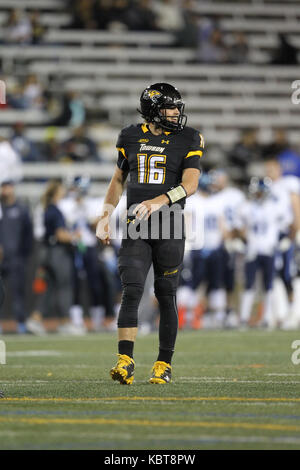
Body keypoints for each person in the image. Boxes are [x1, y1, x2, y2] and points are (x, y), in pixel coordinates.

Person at [96, 82, 203, 384]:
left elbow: (191, 184)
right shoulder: (129, 135)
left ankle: (163, 364)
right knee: (131, 289)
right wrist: (104, 215)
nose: (175, 112)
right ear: (153, 110)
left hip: (169, 223)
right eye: (169, 107)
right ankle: (125, 360)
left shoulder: (189, 137)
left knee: (166, 294)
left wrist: (158, 201)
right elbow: (118, 180)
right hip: (136, 224)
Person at [30, 180, 80, 334]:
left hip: (47, 252)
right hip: (58, 253)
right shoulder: (55, 211)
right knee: (64, 287)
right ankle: (65, 322)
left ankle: (35, 319)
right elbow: (60, 235)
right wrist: (74, 236)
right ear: (57, 192)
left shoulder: (48, 209)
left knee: (49, 287)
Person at [0, 180, 33, 334]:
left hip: (16, 258)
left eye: (7, 187)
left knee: (18, 292)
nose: (5, 190)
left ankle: (21, 323)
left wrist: (22, 255)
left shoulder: (21, 209)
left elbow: (28, 234)